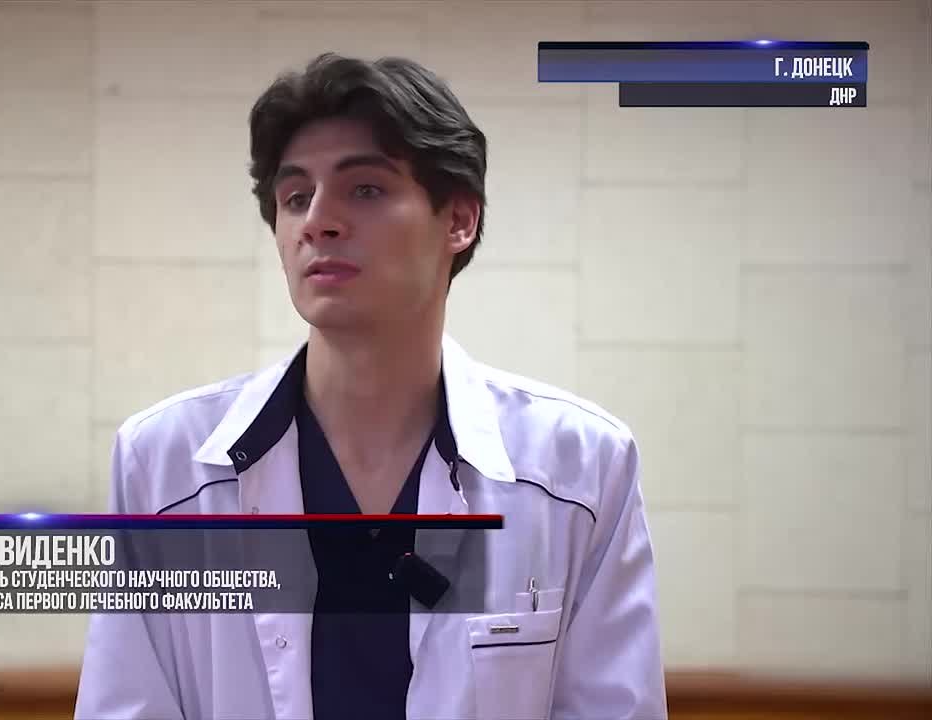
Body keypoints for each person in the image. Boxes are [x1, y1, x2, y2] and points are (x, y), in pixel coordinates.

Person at [76, 53, 667, 720]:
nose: (317, 221)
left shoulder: (582, 468)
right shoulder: (163, 465)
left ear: (458, 220)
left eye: (364, 190)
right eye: (295, 197)